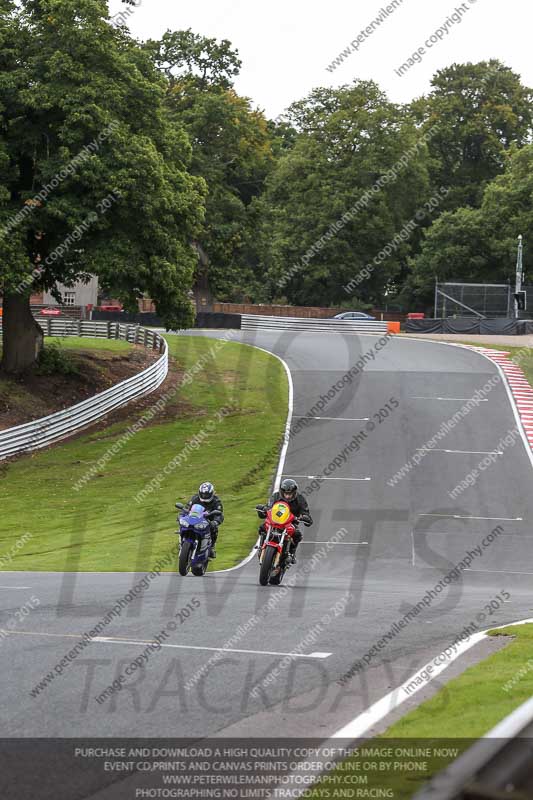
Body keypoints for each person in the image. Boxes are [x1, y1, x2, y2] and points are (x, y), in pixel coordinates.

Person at [257, 478, 313, 564]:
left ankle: (291, 554)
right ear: (282, 492)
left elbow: (306, 512)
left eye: (290, 494)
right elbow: (269, 507)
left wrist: (305, 517)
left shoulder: (300, 499)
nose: (288, 496)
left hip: (290, 523)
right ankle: (261, 546)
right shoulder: (275, 496)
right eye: (286, 494)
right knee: (262, 528)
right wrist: (264, 509)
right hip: (274, 521)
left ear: (294, 492)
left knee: (297, 535)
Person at [186, 482, 224, 559]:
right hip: (194, 518)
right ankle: (183, 540)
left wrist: (215, 522)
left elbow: (219, 513)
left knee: (214, 529)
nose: (204, 496)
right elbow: (187, 508)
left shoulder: (217, 501)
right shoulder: (195, 498)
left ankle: (212, 547)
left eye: (206, 495)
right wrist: (181, 515)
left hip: (207, 521)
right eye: (203, 494)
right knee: (183, 525)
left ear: (211, 493)